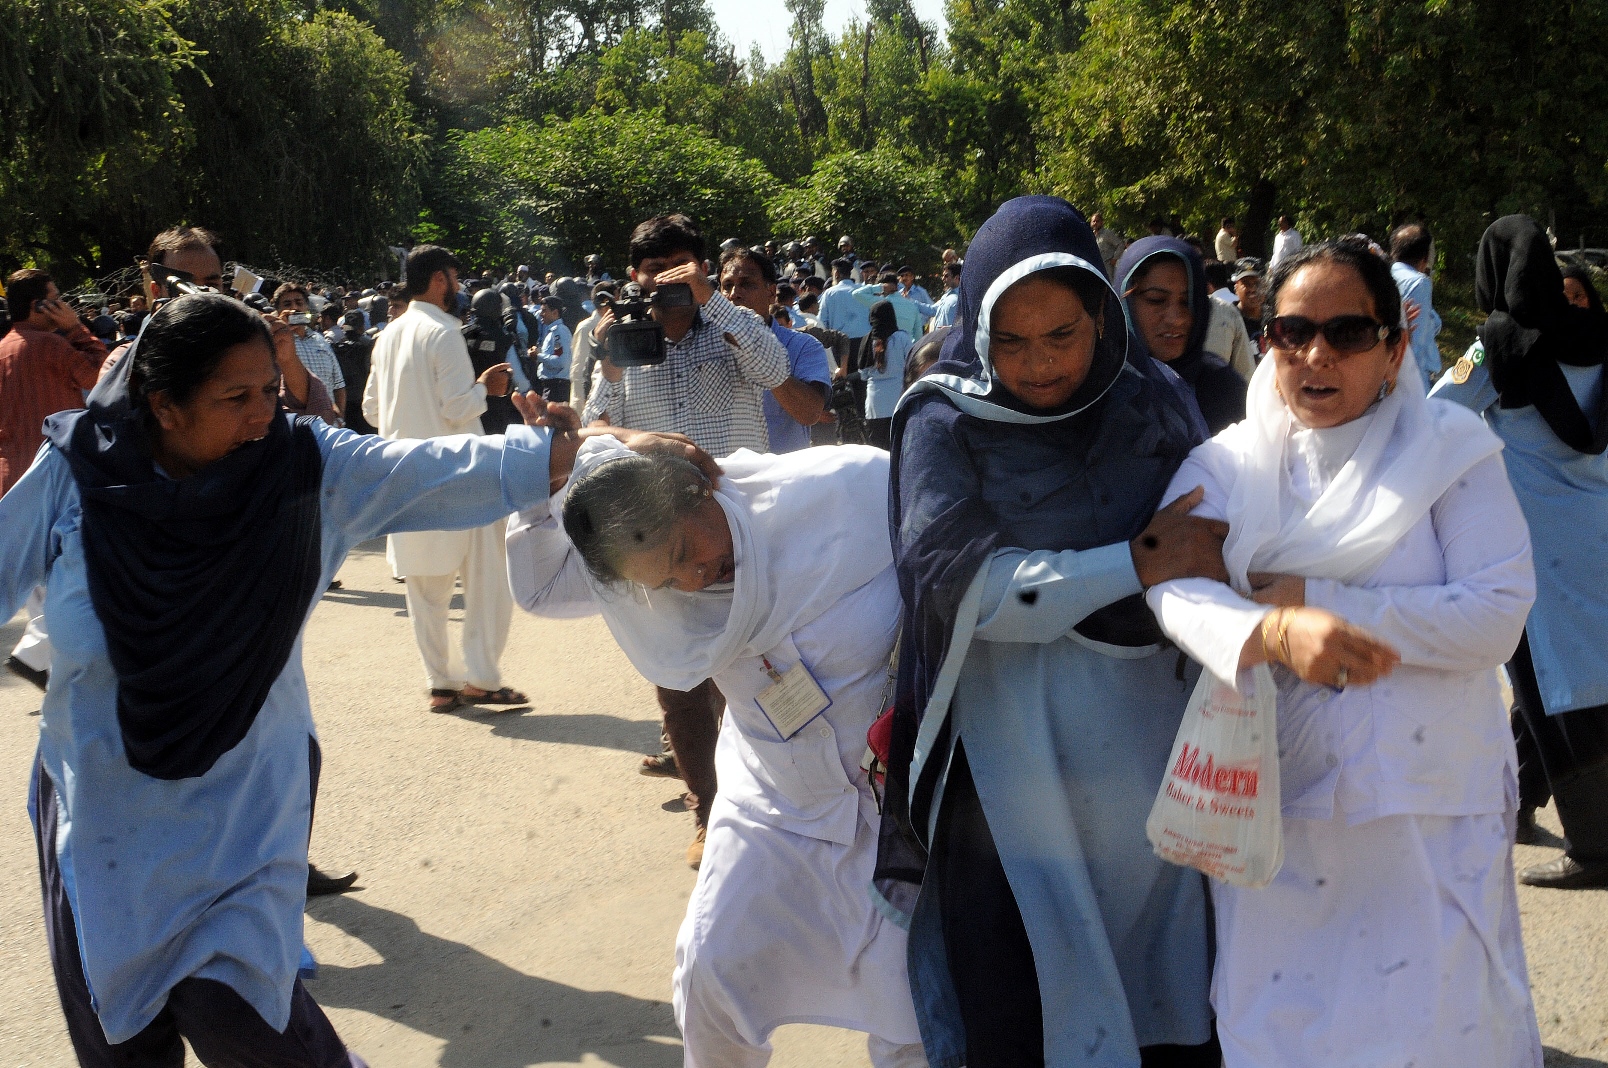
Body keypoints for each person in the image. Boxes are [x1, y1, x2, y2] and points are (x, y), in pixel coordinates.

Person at [1, 292, 572, 1068]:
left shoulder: (305, 471)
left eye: (269, 389)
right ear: (163, 407)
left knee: (248, 1020)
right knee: (120, 1039)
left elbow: (421, 470)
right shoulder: (78, 472)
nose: (263, 414)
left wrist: (550, 455)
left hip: (241, 808)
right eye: (235, 399)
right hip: (100, 811)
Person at [1148, 236, 1543, 1065]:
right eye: (1293, 332)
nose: (1317, 354)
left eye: (1349, 333)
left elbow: (1495, 614)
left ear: (1395, 348)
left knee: (1438, 1026)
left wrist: (1322, 602)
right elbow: (1171, 580)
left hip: (1424, 806)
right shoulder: (1225, 461)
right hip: (1279, 803)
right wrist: (1274, 633)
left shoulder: (1451, 456)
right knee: (1287, 1025)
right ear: (1267, 342)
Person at [874, 196, 1224, 1068]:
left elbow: (1219, 532)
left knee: (1162, 981)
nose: (1037, 366)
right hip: (1010, 760)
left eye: (1062, 336)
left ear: (1102, 317)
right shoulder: (943, 421)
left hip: (1148, 746)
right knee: (1026, 989)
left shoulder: (1157, 402)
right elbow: (961, 590)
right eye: (1012, 341)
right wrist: (1132, 564)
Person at [507, 425, 926, 1068]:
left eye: (688, 548)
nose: (695, 579)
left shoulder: (851, 488)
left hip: (892, 811)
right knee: (710, 975)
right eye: (667, 577)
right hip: (773, 806)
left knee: (912, 1013)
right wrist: (550, 464)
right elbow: (537, 588)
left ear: (703, 489)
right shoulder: (641, 566)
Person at [581, 213, 792, 867]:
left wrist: (714, 300)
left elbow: (775, 366)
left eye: (680, 270)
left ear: (699, 268)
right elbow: (589, 427)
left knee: (766, 671)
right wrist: (610, 366)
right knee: (679, 686)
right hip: (662, 540)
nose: (666, 285)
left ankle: (785, 799)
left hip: (741, 525)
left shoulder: (729, 326)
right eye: (654, 273)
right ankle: (709, 811)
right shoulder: (621, 338)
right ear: (635, 276)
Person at [1432, 215, 1608, 891]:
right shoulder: (1602, 336)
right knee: (1571, 680)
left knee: (1547, 691)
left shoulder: (1493, 344)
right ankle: (1519, 805)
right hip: (1594, 529)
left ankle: (1594, 849)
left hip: (1533, 545)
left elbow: (1441, 405)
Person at [363, 245, 528, 714]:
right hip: (459, 471)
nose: (459, 288)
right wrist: (487, 389)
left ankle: (441, 682)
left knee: (426, 587)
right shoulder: (443, 332)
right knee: (487, 577)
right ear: (440, 280)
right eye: (455, 278)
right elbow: (458, 407)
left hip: (405, 473)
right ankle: (481, 677)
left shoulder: (388, 336)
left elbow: (372, 410)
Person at [0, 269, 106, 692]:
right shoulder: (53, 347)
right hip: (59, 477)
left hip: (12, 479)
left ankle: (45, 660)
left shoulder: (3, 348)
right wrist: (77, 329)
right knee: (70, 576)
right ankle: (37, 656)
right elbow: (104, 380)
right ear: (39, 306)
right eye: (56, 298)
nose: (63, 304)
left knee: (40, 582)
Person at [1116, 237, 1248, 433]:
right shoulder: (1099, 395)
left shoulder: (1225, 390)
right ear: (1125, 302)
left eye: (1188, 302)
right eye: (1156, 300)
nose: (1176, 319)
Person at [716, 248, 829, 454]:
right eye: (727, 286)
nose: (734, 294)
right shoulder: (705, 347)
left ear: (771, 293)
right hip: (723, 479)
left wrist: (759, 358)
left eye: (747, 284)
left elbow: (810, 413)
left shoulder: (803, 346)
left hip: (782, 479)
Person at [839, 300, 907, 450]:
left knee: (878, 450)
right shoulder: (902, 338)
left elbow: (863, 374)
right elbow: (911, 363)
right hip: (898, 401)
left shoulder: (866, 340)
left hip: (874, 404)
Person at [274, 283, 346, 418]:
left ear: (307, 307)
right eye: (287, 304)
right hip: (294, 426)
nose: (294, 308)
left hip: (328, 427)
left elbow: (338, 385)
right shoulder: (275, 344)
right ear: (278, 311)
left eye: (299, 303)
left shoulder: (321, 341)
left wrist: (340, 419)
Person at [1390, 223, 1443, 385]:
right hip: (1413, 379)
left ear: (1394, 251)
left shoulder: (1384, 275)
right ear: (1425, 257)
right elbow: (1417, 343)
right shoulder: (1418, 283)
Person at [332, 311, 375, 434]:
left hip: (345, 402)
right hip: (364, 400)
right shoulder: (369, 345)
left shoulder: (336, 346)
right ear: (361, 326)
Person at [819, 258, 873, 343]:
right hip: (865, 340)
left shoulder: (829, 293)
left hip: (840, 341)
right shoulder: (863, 291)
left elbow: (822, 321)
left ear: (836, 274)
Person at [856, 272, 923, 338]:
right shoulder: (912, 305)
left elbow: (856, 294)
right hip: (908, 345)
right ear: (897, 286)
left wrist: (880, 287)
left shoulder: (880, 303)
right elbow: (918, 334)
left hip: (886, 346)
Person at [534, 296, 573, 402]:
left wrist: (538, 355)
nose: (541, 314)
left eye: (544, 311)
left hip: (556, 388)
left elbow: (560, 361)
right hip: (552, 387)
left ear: (555, 312)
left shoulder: (559, 332)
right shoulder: (553, 331)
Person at [1234, 258, 1269, 359]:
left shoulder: (1274, 316)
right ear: (1236, 288)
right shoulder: (1229, 319)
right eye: (1246, 284)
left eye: (1257, 283)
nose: (1253, 289)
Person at [930, 263, 961, 328]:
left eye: (946, 276)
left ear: (956, 277)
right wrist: (911, 301)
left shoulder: (963, 297)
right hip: (940, 336)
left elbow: (966, 321)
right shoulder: (946, 296)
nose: (943, 278)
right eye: (943, 276)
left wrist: (950, 328)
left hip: (953, 337)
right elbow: (932, 310)